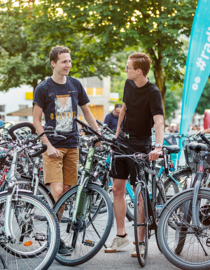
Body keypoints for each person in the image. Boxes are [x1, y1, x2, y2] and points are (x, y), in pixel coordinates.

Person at [32, 46, 100, 256]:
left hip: (73, 145)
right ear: (53, 63)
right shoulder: (43, 88)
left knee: (68, 191)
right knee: (58, 191)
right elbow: (36, 120)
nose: (68, 65)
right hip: (52, 147)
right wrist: (48, 145)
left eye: (69, 61)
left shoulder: (75, 85)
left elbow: (87, 112)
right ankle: (56, 237)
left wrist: (98, 134)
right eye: (64, 61)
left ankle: (54, 228)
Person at [105, 52, 164, 257]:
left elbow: (158, 121)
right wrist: (117, 134)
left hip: (141, 143)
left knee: (139, 193)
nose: (125, 70)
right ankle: (121, 237)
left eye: (128, 67)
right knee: (117, 189)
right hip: (122, 142)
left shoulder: (153, 92)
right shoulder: (128, 84)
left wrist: (158, 146)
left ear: (138, 71)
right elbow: (124, 109)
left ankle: (140, 240)